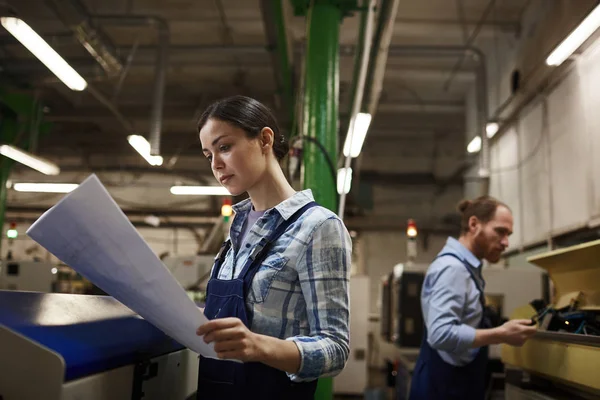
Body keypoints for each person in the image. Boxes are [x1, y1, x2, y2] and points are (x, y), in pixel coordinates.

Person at [193, 95, 351, 399]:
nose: (215, 164)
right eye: (207, 154)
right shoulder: (236, 230)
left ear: (264, 139)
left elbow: (335, 348)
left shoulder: (318, 227)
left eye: (224, 147)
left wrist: (258, 346)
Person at [409, 196, 537, 400]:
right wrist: (501, 334)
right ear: (474, 224)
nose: (506, 242)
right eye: (500, 231)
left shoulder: (466, 268)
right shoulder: (454, 269)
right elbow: (440, 333)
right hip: (445, 389)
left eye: (508, 234)